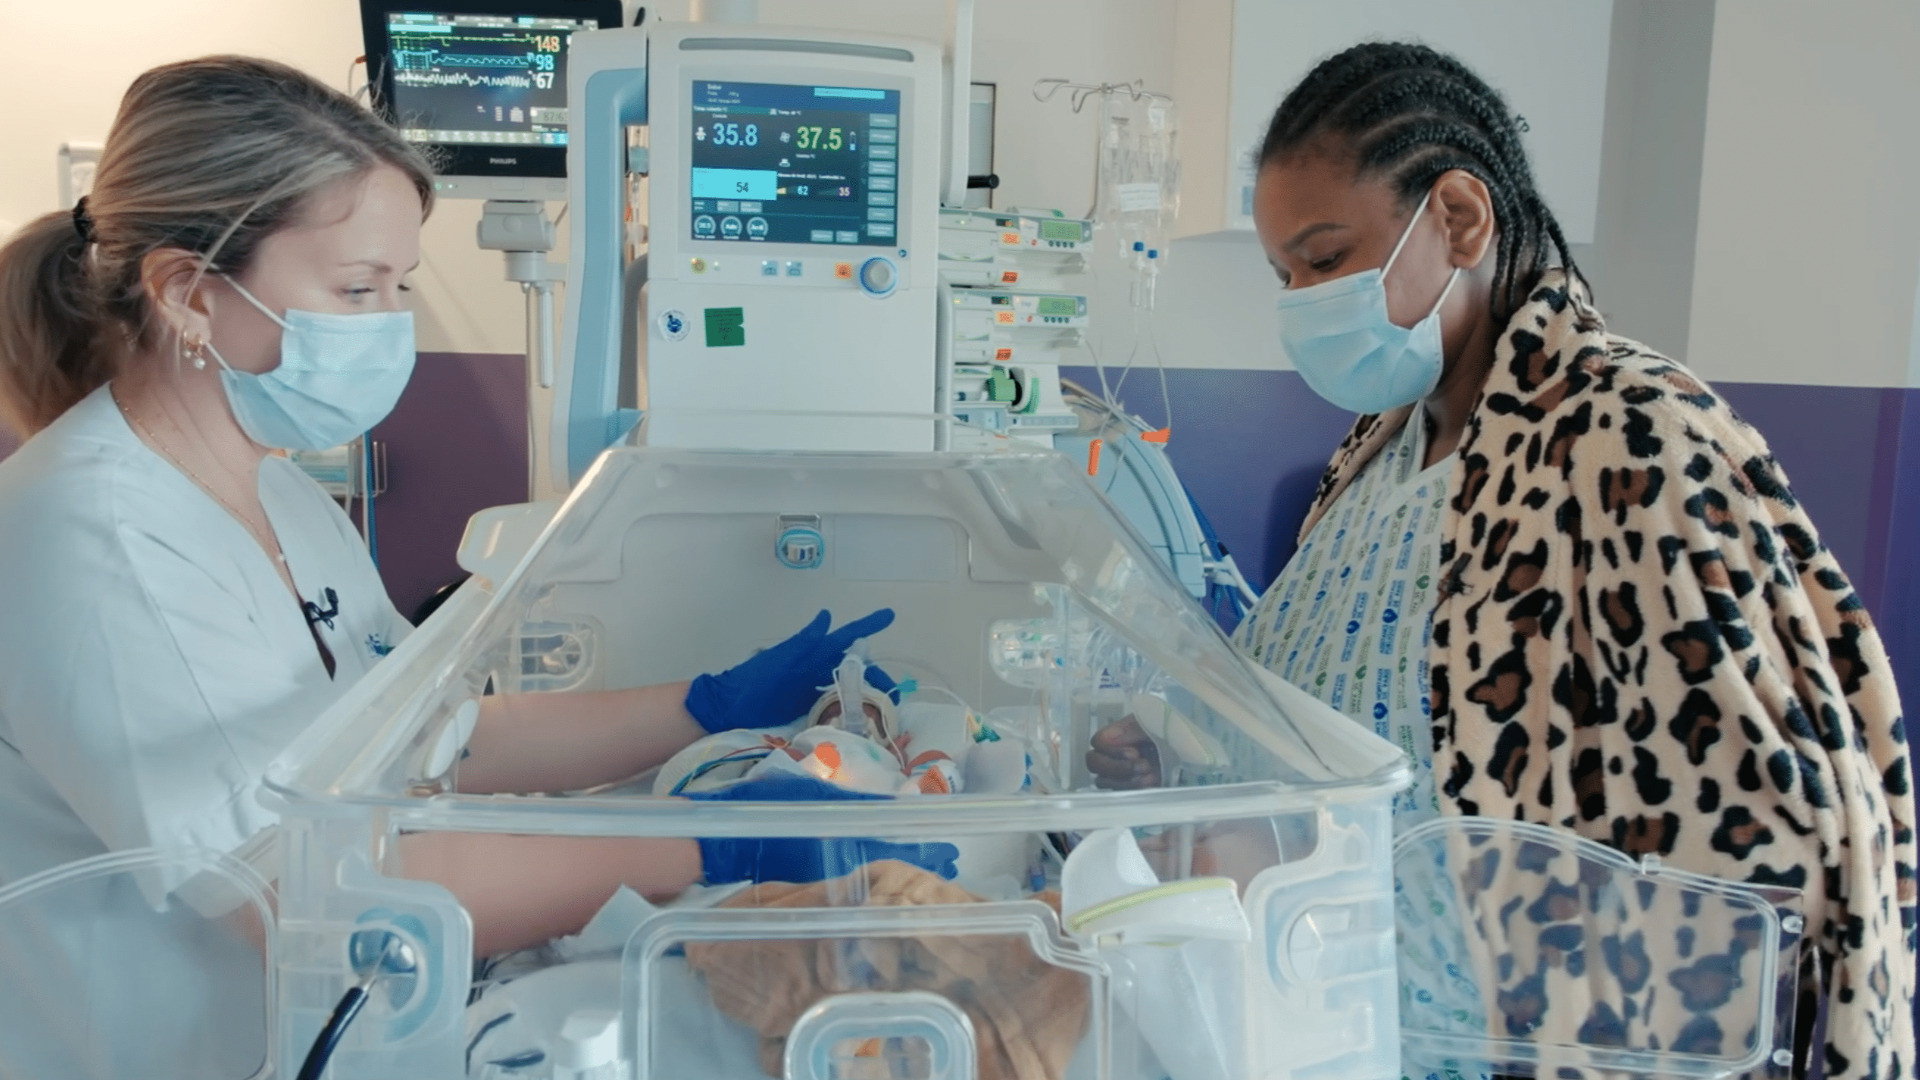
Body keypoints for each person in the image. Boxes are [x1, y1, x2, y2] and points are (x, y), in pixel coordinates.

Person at [0, 56, 951, 1077]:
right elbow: (299, 893)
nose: (390, 323)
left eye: (399, 286)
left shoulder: (279, 495)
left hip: (343, 1033)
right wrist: (706, 846)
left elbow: (427, 743)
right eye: (357, 288)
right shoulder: (93, 537)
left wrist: (708, 706)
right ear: (186, 292)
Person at [1091, 42, 1914, 1079]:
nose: (1300, 299)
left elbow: (1754, 842)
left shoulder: (1630, 438)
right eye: (1284, 274)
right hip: (1342, 1015)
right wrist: (1186, 757)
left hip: (1508, 1043)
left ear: (1459, 217)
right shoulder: (1386, 445)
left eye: (1326, 258)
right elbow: (1332, 704)